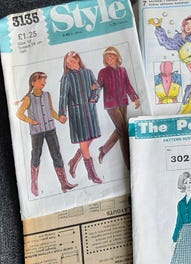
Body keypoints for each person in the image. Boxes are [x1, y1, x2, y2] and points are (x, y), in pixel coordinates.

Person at [16, 72, 77, 196]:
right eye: (41, 80)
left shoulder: (47, 95)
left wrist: (59, 118)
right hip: (37, 132)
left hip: (50, 129)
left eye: (44, 80)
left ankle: (64, 183)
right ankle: (34, 184)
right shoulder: (28, 98)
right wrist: (31, 121)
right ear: (33, 82)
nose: (43, 83)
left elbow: (50, 110)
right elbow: (19, 114)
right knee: (36, 156)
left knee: (57, 155)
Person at [58, 51, 102, 184]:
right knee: (83, 141)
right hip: (76, 113)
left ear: (78, 59)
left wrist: (93, 98)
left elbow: (97, 87)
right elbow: (63, 96)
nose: (70, 64)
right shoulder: (66, 77)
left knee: (91, 137)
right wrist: (62, 113)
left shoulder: (88, 73)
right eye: (67, 63)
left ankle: (74, 161)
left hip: (90, 110)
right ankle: (92, 174)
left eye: (72, 61)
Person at [97, 46, 140, 169]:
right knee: (123, 131)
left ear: (116, 56)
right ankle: (129, 164)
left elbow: (127, 85)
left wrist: (135, 98)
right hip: (111, 105)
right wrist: (94, 88)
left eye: (111, 56)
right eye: (106, 57)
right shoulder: (103, 72)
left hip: (123, 103)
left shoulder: (123, 70)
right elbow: (98, 85)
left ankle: (104, 149)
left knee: (121, 130)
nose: (109, 58)